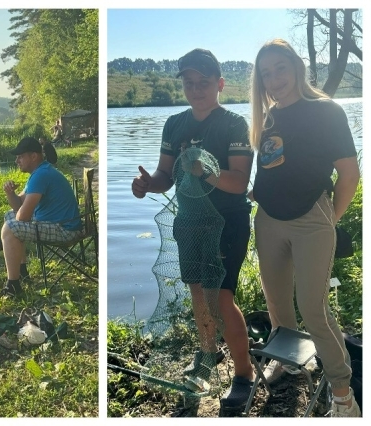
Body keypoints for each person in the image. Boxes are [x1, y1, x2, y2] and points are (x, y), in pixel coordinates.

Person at [131, 48, 255, 410]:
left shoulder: (234, 123)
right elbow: (165, 176)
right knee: (198, 293)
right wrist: (147, 185)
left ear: (219, 84)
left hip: (227, 222)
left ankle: (244, 374)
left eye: (203, 83)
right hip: (188, 222)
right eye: (189, 83)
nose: (196, 89)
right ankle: (208, 354)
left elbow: (239, 180)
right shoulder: (174, 124)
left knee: (221, 299)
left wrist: (207, 173)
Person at [249, 39, 361, 417]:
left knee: (313, 308)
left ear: (297, 66)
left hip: (312, 220)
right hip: (268, 222)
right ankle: (291, 363)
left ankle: (344, 396)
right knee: (277, 302)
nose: (274, 79)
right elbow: (274, 166)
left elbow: (349, 174)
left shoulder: (325, 111)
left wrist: (330, 219)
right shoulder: (269, 117)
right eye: (266, 73)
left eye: (280, 68)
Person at [0, 137, 82, 296]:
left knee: (10, 228)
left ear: (33, 156)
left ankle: (13, 286)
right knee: (9, 216)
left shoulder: (41, 175)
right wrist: (10, 193)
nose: (17, 160)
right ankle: (22, 273)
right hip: (62, 224)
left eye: (20, 156)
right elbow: (18, 206)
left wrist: (20, 215)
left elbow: (22, 217)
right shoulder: (39, 172)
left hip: (65, 229)